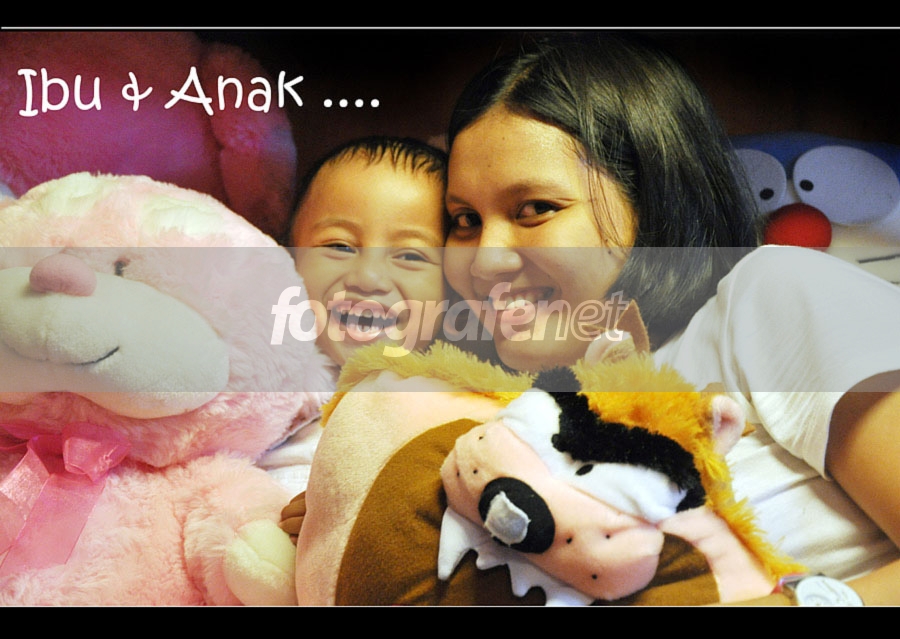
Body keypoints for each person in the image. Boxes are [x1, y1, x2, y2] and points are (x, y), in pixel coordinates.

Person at [440, 31, 900, 605]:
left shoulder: (767, 294)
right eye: (463, 220)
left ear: (655, 200)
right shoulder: (516, 412)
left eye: (535, 209)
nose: (484, 260)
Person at [260, 135, 449, 495]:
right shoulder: (257, 377)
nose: (368, 278)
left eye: (411, 256)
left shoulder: (451, 403)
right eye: (339, 246)